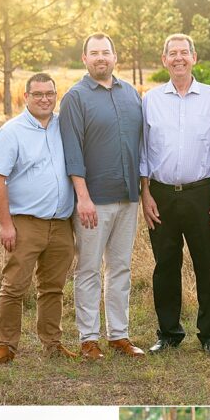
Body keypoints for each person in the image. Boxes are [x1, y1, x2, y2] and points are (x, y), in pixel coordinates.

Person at [59, 33, 145, 360]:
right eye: (94, 53)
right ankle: (89, 338)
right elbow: (72, 152)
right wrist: (82, 197)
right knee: (89, 269)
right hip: (93, 201)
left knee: (120, 268)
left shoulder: (131, 94)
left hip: (128, 198)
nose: (100, 58)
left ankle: (119, 336)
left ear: (114, 56)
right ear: (84, 58)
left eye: (105, 52)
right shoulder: (75, 98)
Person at [140, 33, 210, 354]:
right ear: (164, 60)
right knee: (165, 265)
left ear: (194, 58)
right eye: (172, 53)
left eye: (183, 52)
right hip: (160, 194)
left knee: (207, 264)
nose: (178, 58)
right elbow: (143, 151)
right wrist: (145, 193)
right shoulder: (150, 99)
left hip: (203, 193)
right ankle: (168, 333)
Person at [0, 73, 77, 363]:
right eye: (38, 94)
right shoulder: (11, 132)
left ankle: (52, 344)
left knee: (53, 288)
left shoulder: (65, 127)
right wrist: (5, 225)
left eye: (49, 93)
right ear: (25, 97)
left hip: (61, 223)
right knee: (14, 287)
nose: (45, 99)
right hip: (25, 223)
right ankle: (6, 346)